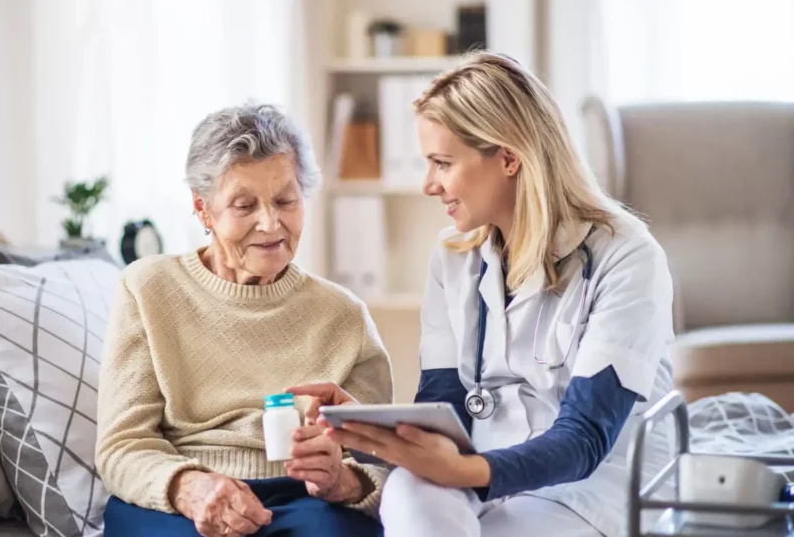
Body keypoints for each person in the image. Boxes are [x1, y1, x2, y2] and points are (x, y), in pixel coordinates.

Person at [295, 52, 675, 537]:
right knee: (408, 491)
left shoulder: (626, 256)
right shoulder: (455, 254)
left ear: (509, 158)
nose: (429, 185)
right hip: (477, 477)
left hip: (585, 492)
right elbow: (445, 408)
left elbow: (584, 440)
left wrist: (464, 473)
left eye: (442, 164)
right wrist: (367, 430)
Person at [95, 103, 393, 537]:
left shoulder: (343, 315)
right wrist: (190, 488)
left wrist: (342, 481)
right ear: (202, 210)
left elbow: (383, 466)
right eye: (244, 205)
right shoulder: (147, 289)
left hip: (303, 498)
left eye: (285, 201)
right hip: (181, 493)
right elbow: (123, 446)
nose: (270, 223)